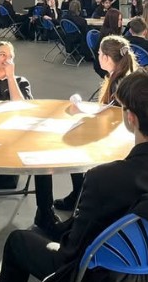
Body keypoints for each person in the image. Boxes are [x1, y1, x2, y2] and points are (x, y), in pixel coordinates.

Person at [0, 67, 148, 282]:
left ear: (130, 118)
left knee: (17, 241)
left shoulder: (103, 178)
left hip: (106, 280)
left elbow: (71, 252)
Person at [0, 42, 60, 245]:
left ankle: (45, 211)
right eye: (2, 54)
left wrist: (10, 78)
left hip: (19, 138)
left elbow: (24, 109)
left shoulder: (21, 82)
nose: (7, 59)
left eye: (10, 56)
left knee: (43, 157)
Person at [57, 35, 137, 211]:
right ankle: (78, 195)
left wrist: (83, 112)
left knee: (75, 145)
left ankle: (79, 196)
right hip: (122, 134)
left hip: (119, 140)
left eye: (100, 53)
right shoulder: (122, 77)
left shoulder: (118, 84)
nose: (98, 56)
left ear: (107, 58)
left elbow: (115, 117)